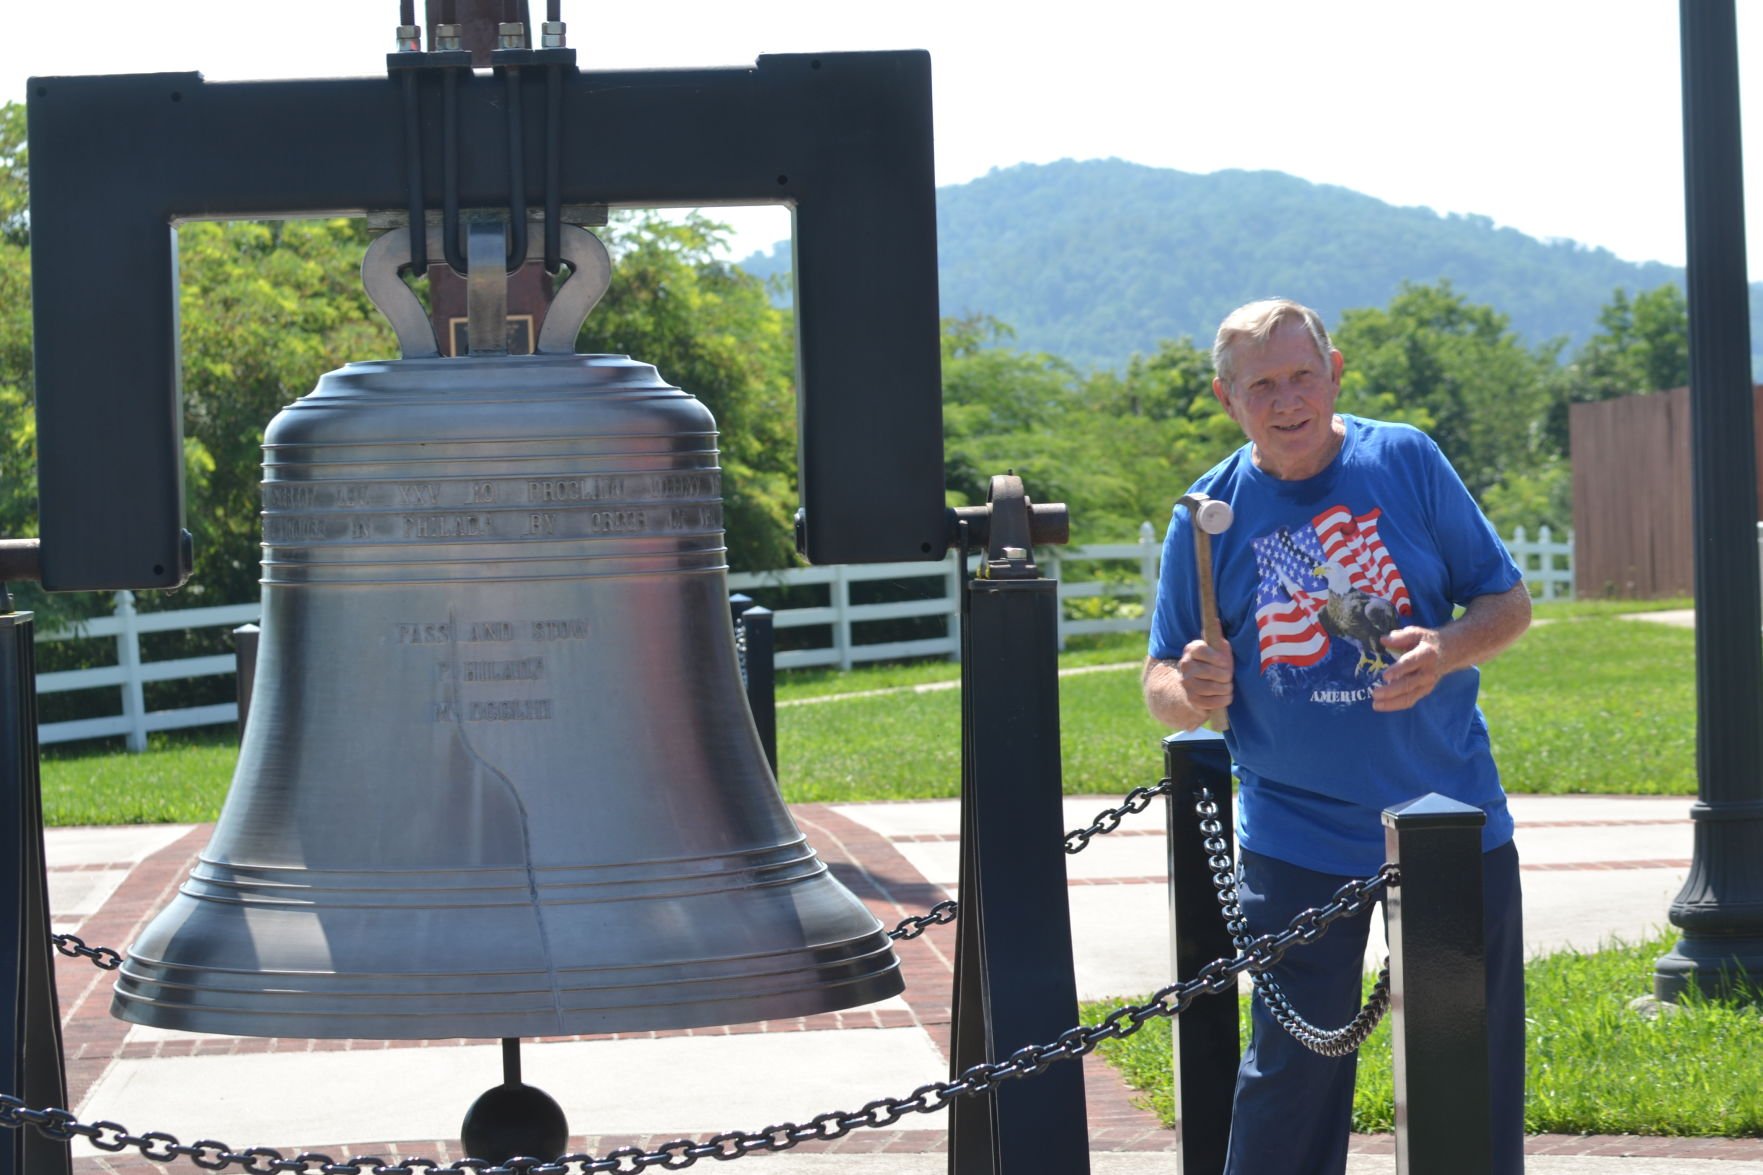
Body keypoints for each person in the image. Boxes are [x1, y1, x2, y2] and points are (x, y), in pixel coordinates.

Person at [1143, 298, 1531, 1174]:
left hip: (1450, 820)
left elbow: (1506, 603)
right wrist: (1188, 687)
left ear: (1335, 372)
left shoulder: (1404, 457)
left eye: (1301, 375)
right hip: (1294, 834)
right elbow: (1162, 677)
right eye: (1262, 384)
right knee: (1289, 1075)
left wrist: (1445, 648)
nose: (1286, 400)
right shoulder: (1206, 515)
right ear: (1226, 397)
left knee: (1467, 1065)